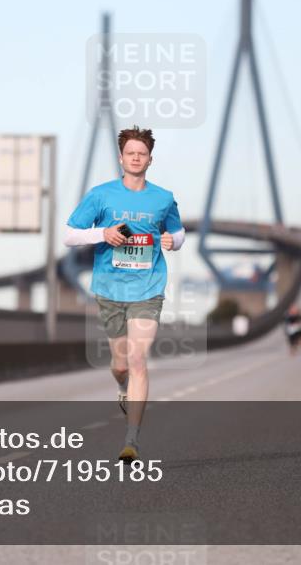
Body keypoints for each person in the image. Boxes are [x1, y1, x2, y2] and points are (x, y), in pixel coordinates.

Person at [63, 126, 184, 463]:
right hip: (110, 289)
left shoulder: (162, 198)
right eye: (130, 153)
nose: (135, 157)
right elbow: (70, 235)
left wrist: (173, 242)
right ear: (121, 158)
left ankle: (132, 439)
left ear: (149, 159)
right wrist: (102, 234)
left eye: (141, 154)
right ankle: (121, 388)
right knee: (120, 364)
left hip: (148, 288)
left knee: (137, 359)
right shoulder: (101, 195)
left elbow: (178, 232)